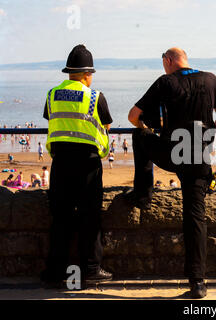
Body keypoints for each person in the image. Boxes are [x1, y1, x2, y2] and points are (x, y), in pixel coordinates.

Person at [126, 47, 216, 299]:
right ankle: (198, 283)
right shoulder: (210, 79)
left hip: (171, 154)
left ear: (168, 61)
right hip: (197, 157)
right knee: (195, 216)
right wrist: (208, 136)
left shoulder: (165, 82)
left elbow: (133, 117)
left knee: (139, 136)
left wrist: (147, 128)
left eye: (164, 64)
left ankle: (143, 194)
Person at [40, 45, 113, 287]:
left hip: (60, 161)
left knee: (60, 216)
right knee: (89, 216)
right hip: (88, 164)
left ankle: (54, 271)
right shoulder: (95, 96)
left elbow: (51, 118)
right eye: (91, 74)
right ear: (86, 74)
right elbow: (107, 126)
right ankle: (91, 269)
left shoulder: (52, 94)